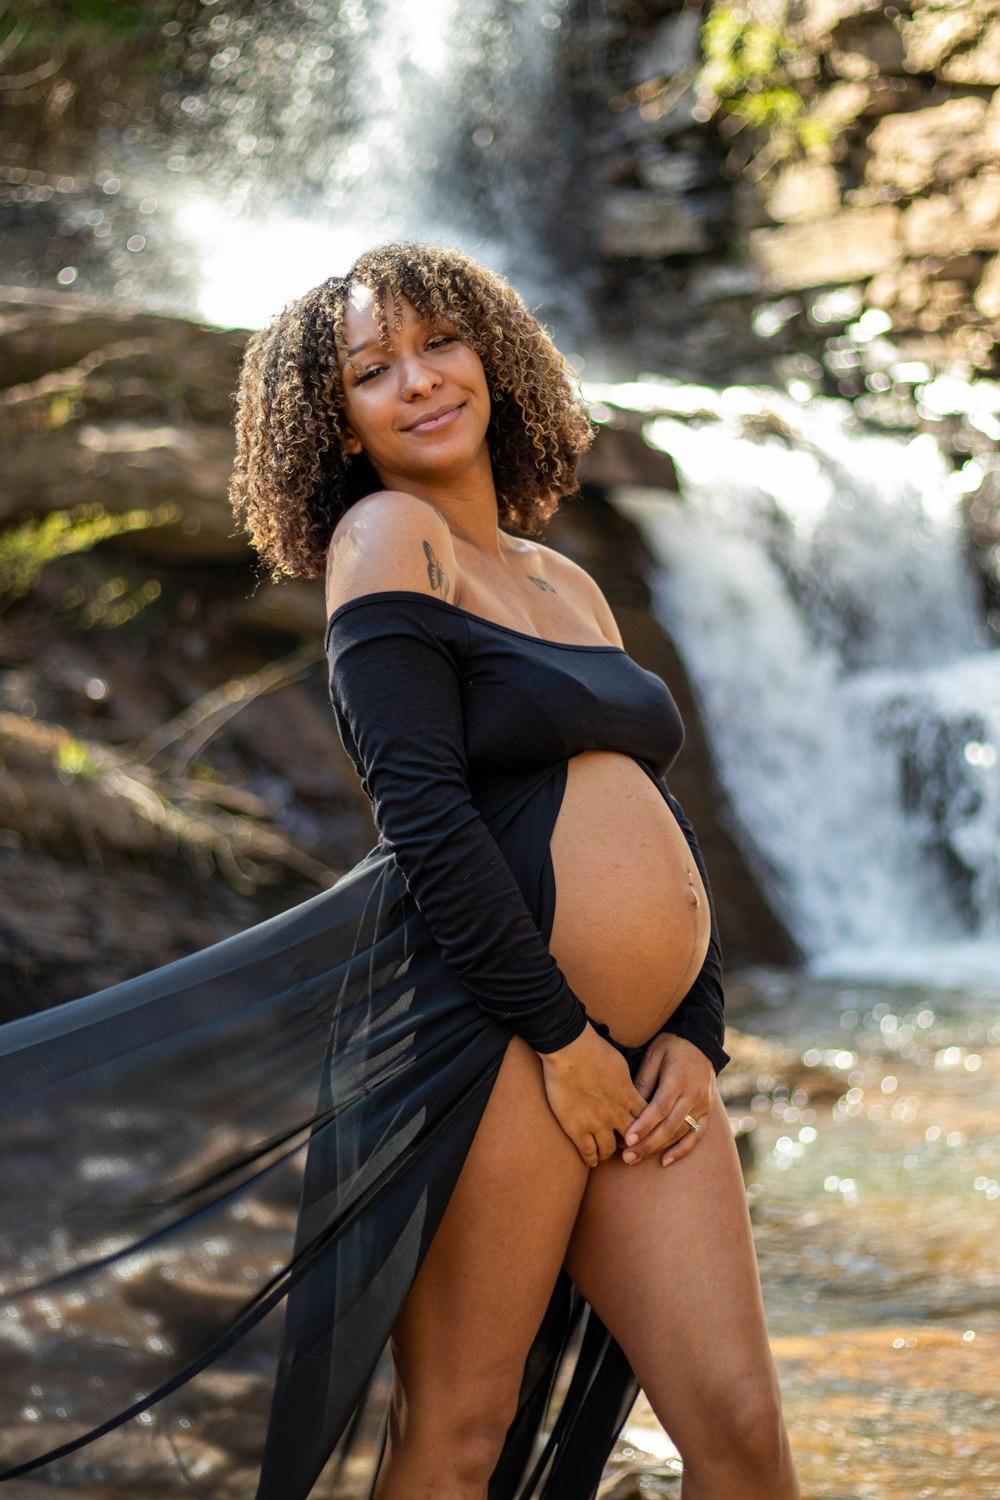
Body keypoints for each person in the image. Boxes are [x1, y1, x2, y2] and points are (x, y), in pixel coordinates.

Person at [0, 242, 799, 1500]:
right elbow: (422, 815)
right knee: (460, 1428)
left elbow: (654, 813)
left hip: (648, 1063)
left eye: (439, 344)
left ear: (493, 355)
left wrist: (693, 1031)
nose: (419, 380)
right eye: (375, 372)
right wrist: (559, 1035)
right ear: (342, 428)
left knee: (741, 1429)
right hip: (487, 1037)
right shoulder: (386, 538)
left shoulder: (566, 579)